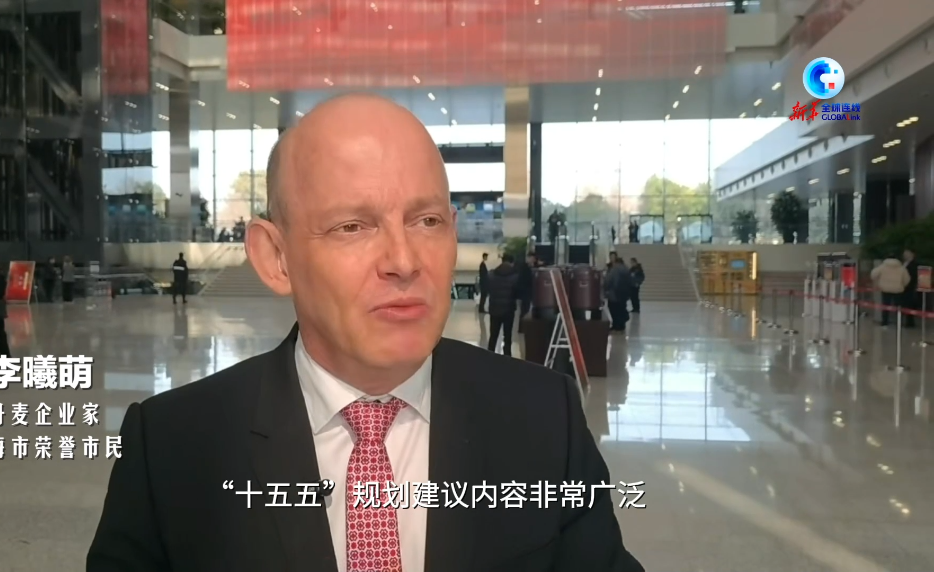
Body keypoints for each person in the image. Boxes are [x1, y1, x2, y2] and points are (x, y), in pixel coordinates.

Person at [87, 94, 642, 572]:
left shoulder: (544, 416)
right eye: (352, 226)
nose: (403, 261)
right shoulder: (172, 448)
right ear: (276, 258)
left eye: (427, 221)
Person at [485, 253, 519, 356]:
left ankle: (489, 354)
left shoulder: (492, 274)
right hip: (508, 310)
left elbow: (488, 289)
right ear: (512, 262)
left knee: (493, 335)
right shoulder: (515, 276)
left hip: (494, 308)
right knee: (507, 335)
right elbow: (517, 292)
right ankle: (507, 356)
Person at [870, 254, 911, 327]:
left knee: (885, 306)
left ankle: (884, 323)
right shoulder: (901, 268)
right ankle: (899, 322)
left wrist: (878, 282)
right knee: (898, 307)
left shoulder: (883, 266)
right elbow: (907, 279)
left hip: (885, 289)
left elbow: (873, 274)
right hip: (898, 289)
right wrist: (902, 285)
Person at [604, 258, 632, 332]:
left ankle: (616, 325)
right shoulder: (626, 269)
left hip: (614, 293)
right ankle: (621, 325)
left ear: (616, 262)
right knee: (621, 308)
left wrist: (605, 288)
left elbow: (608, 280)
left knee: (614, 309)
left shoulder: (614, 269)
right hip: (624, 293)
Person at [516, 251, 536, 332]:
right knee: (524, 310)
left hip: (525, 293)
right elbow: (525, 281)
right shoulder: (525, 268)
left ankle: (522, 328)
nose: (533, 260)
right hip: (525, 293)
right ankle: (522, 328)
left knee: (524, 310)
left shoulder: (525, 267)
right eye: (532, 258)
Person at [902, 248, 918, 328]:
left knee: (910, 304)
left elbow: (914, 276)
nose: (905, 255)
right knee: (905, 304)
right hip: (904, 287)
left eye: (907, 253)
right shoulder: (904, 263)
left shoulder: (914, 264)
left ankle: (910, 322)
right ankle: (907, 321)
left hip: (910, 287)